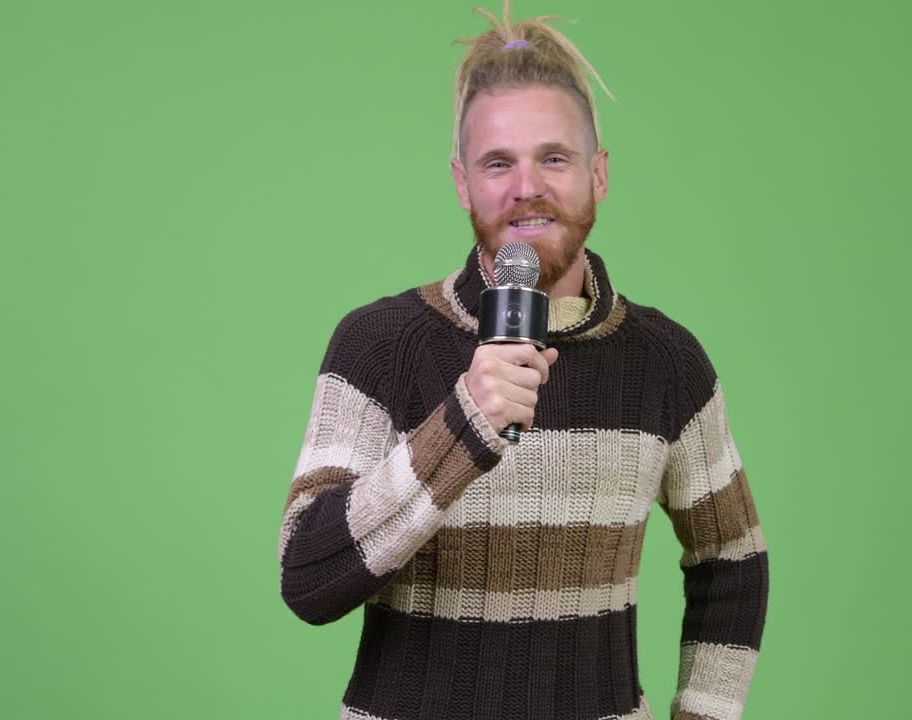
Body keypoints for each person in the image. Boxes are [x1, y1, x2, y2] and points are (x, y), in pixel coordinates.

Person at [277, 3, 769, 719]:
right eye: (498, 163)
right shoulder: (378, 345)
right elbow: (307, 579)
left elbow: (734, 561)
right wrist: (461, 425)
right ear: (462, 183)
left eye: (554, 158)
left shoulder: (667, 364)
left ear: (599, 174)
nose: (527, 187)